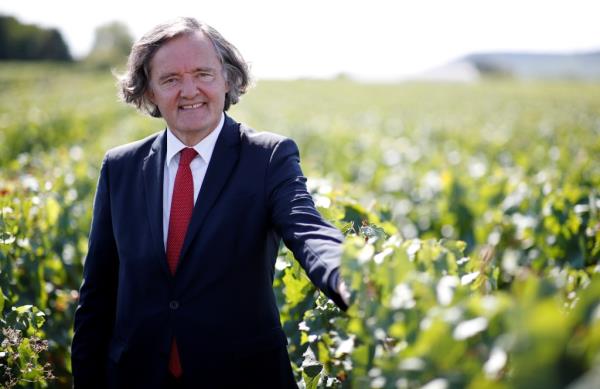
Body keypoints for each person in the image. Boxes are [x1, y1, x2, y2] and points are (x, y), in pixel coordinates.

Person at [71, 17, 349, 389]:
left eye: (203, 73)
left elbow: (308, 229)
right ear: (149, 91)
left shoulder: (268, 157)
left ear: (228, 79)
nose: (189, 91)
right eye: (170, 79)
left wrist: (354, 282)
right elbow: (97, 293)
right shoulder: (120, 167)